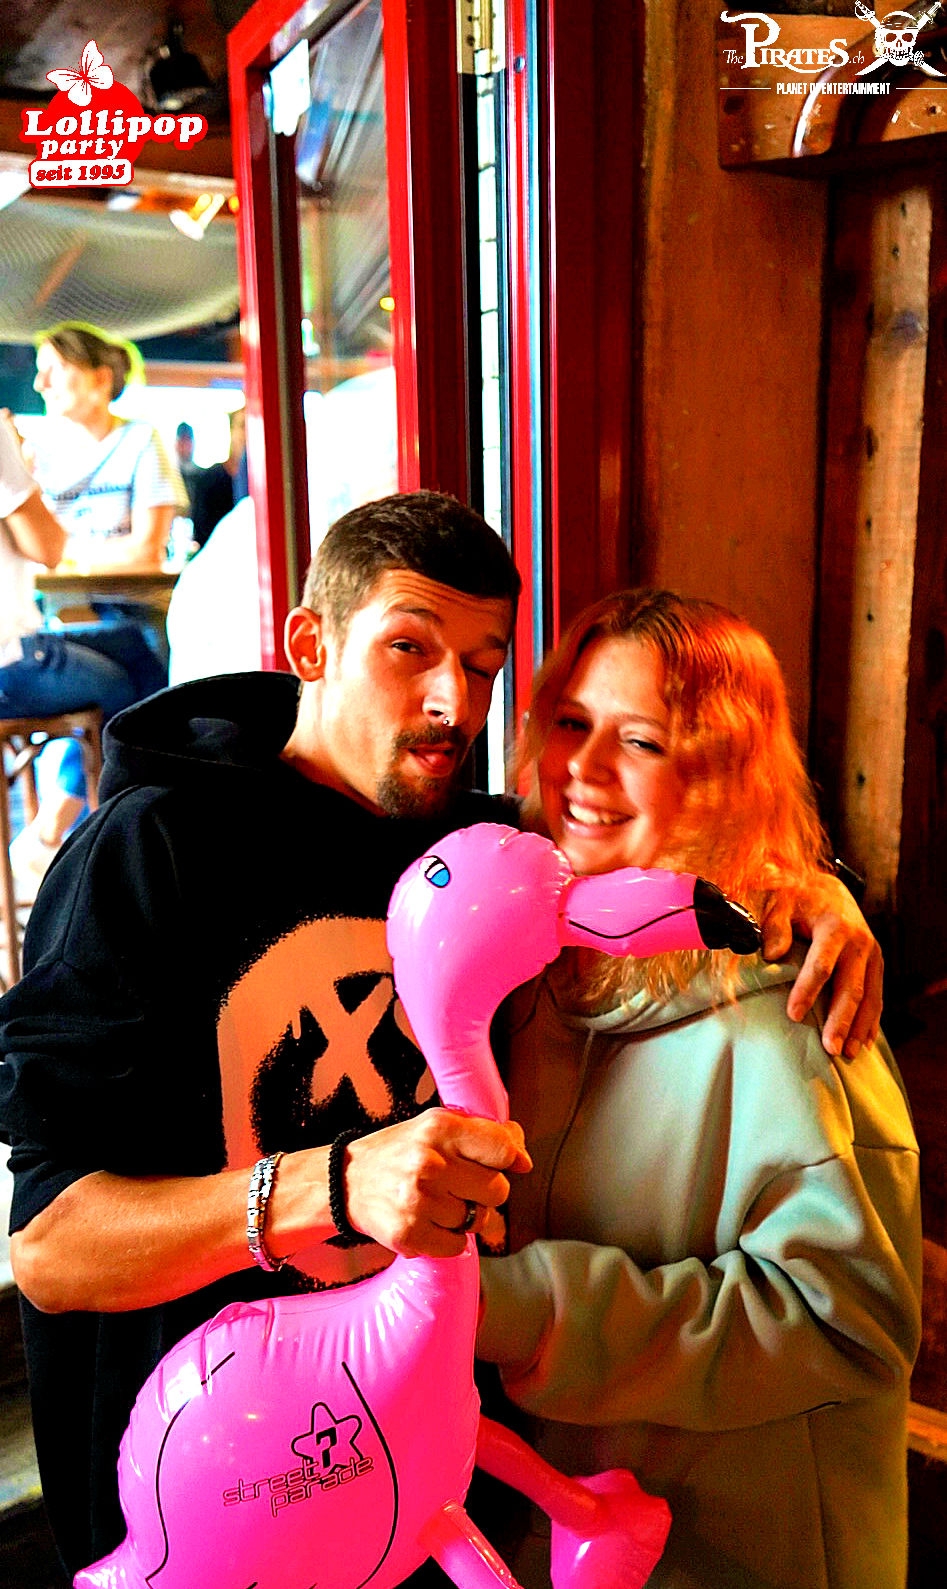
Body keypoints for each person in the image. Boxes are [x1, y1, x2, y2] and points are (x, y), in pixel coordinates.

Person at [0, 495, 881, 1580]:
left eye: (481, 665)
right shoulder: (147, 853)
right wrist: (331, 1186)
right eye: (408, 648)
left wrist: (811, 892)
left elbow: (660, 841)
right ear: (310, 642)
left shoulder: (470, 849)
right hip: (205, 1507)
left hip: (416, 1495)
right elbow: (49, 1250)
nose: (448, 703)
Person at [475, 589, 922, 1589]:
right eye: (569, 722)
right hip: (572, 1536)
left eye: (639, 740)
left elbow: (848, 1322)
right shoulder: (530, 964)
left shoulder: (793, 1014)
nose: (583, 768)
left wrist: (533, 1309)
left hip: (743, 1550)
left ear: (720, 773)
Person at [10, 322, 187, 894]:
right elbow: (34, 548)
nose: (40, 383)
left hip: (131, 611)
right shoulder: (38, 454)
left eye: (55, 369)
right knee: (131, 684)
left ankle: (66, 833)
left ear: (100, 379)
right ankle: (116, 836)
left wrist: (67, 552)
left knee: (132, 664)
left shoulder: (141, 441)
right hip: (60, 619)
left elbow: (146, 550)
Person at [0, 407, 140, 786]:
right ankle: (113, 814)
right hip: (10, 659)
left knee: (133, 644)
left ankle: (66, 815)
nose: (41, 382)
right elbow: (48, 547)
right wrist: (17, 456)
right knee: (128, 689)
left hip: (18, 648)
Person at [190, 404, 247, 549]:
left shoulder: (265, 486)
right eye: (243, 426)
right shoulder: (208, 480)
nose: (248, 432)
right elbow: (201, 533)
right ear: (231, 431)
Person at [173, 420, 205, 512]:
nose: (185, 446)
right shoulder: (171, 477)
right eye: (182, 441)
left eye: (188, 441)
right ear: (176, 444)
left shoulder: (204, 476)